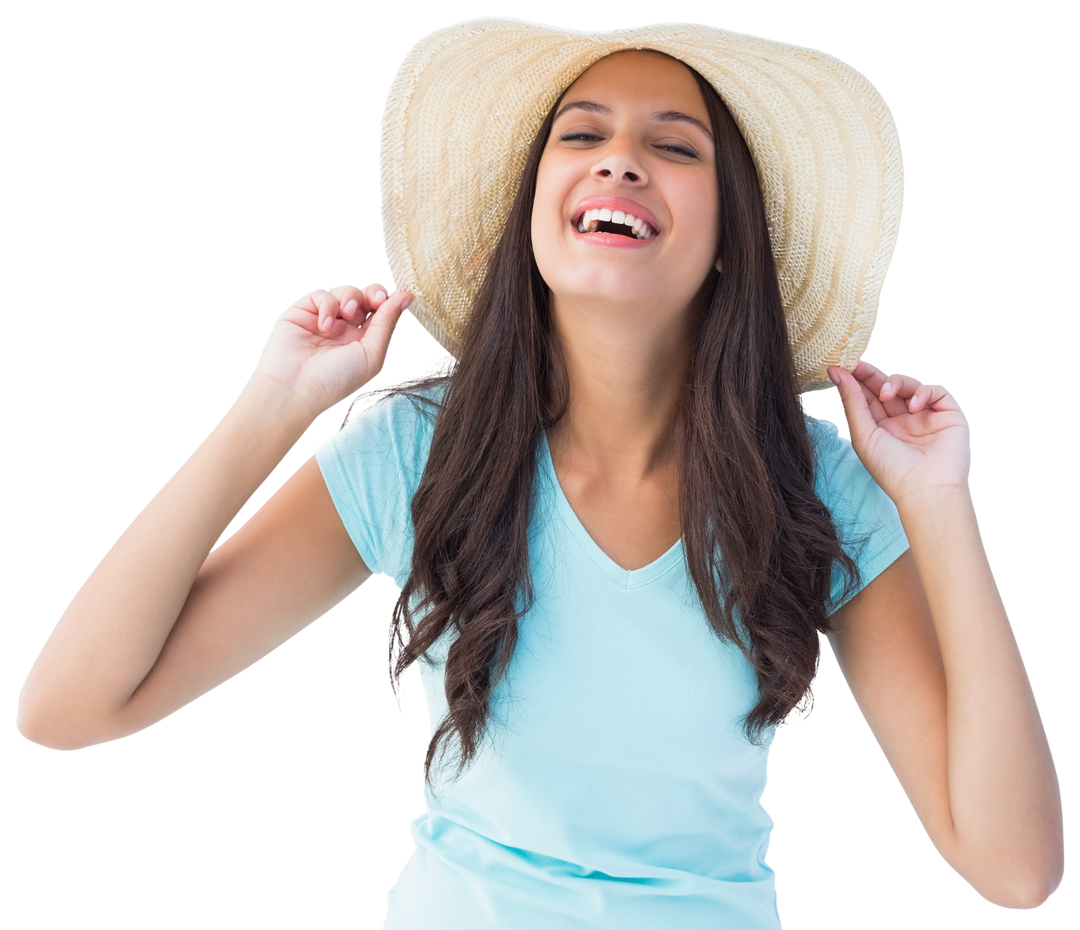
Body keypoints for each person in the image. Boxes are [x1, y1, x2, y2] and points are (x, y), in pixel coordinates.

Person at [15, 16, 1064, 928]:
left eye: (674, 146)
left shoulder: (818, 483)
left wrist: (939, 502)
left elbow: (1014, 870)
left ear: (729, 244)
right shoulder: (418, 453)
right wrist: (271, 406)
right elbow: (66, 711)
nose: (619, 161)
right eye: (583, 135)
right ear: (532, 214)